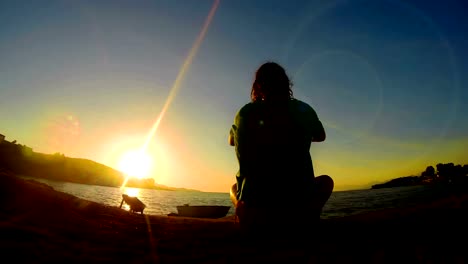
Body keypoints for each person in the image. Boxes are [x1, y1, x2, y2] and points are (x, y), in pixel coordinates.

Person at [228, 61, 334, 236]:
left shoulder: (245, 113)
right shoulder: (303, 109)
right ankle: (309, 216)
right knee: (326, 182)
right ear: (287, 84)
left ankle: (243, 212)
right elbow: (321, 136)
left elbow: (232, 141)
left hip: (255, 214)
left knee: (234, 188)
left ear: (258, 86)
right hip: (297, 207)